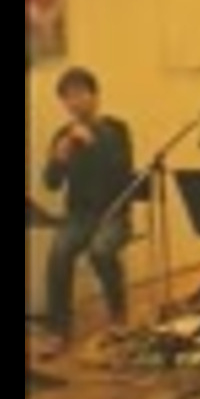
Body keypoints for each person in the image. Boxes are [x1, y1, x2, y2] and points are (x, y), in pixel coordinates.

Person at [40, 67, 134, 357]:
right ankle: (58, 329)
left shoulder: (116, 130)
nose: (75, 102)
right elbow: (51, 183)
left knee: (101, 250)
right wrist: (57, 160)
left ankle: (118, 315)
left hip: (114, 212)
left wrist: (94, 143)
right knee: (58, 251)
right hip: (79, 216)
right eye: (68, 97)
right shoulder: (62, 135)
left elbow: (122, 174)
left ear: (95, 96)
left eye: (80, 93)